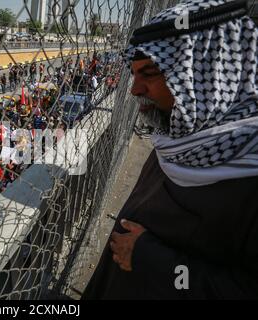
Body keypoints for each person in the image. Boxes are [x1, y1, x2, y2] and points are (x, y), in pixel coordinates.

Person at [83, 0, 258, 299]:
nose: (135, 89)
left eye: (149, 74)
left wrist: (152, 260)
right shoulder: (177, 137)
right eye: (135, 74)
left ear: (207, 74)